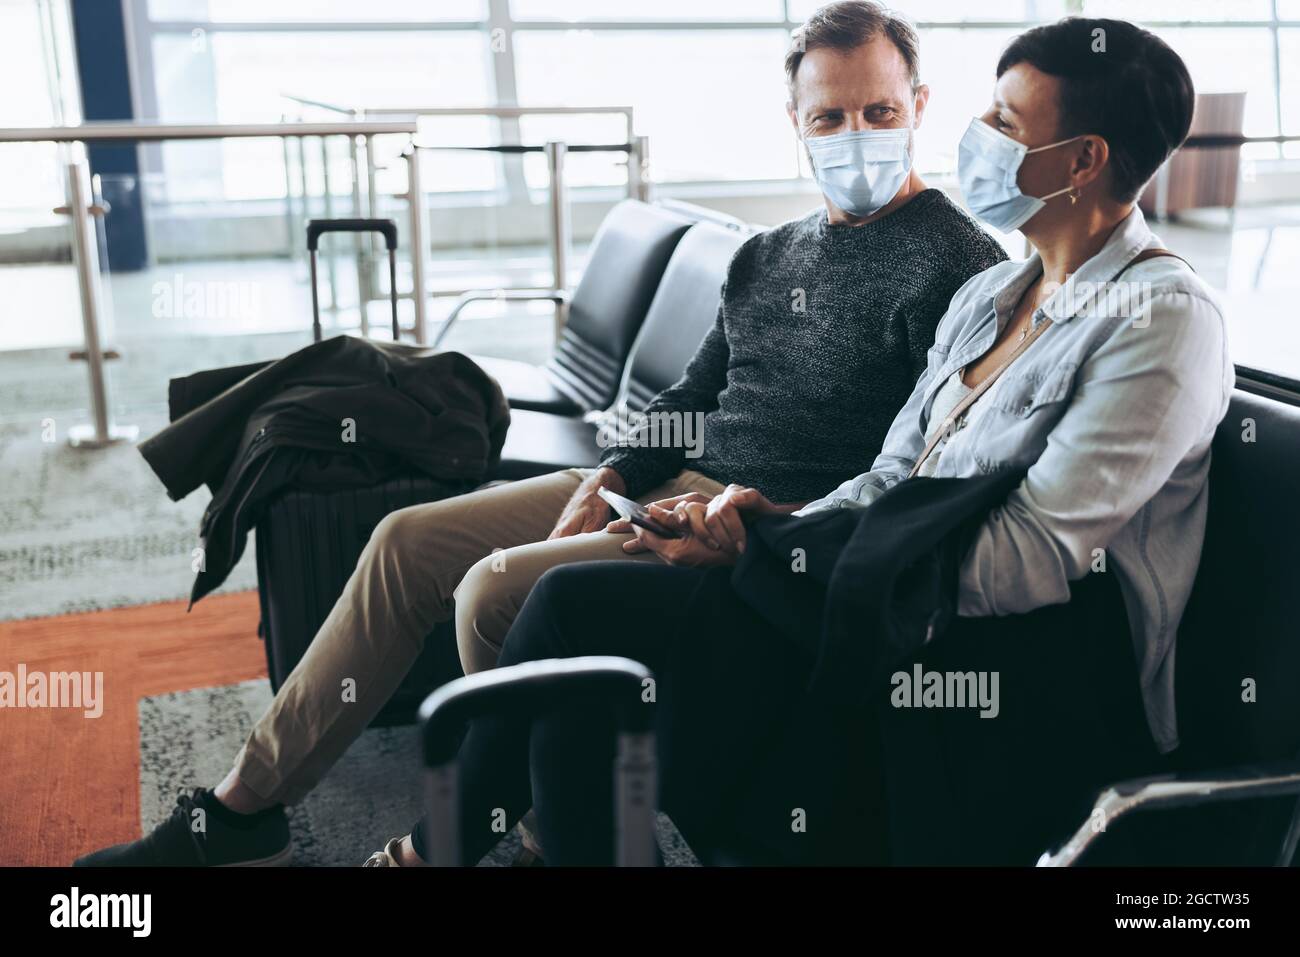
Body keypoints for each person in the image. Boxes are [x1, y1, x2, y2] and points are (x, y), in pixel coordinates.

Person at [76, 0, 1007, 867]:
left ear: (919, 104)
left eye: (880, 113)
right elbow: (694, 389)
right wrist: (601, 475)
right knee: (405, 541)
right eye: (829, 119)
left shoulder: (962, 264)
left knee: (497, 593)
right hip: (672, 473)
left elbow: (923, 471)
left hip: (755, 522)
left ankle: (538, 832)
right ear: (796, 123)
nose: (857, 138)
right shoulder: (767, 252)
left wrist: (763, 524)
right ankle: (242, 807)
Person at [382, 15, 1233, 865]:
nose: (981, 140)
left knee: (581, 614)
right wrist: (773, 528)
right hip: (883, 595)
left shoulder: (1159, 318)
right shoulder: (994, 295)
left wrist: (801, 563)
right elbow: (895, 476)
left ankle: (432, 854)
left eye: (1007, 123)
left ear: (1084, 161)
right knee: (575, 615)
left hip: (1014, 662)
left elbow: (1032, 558)